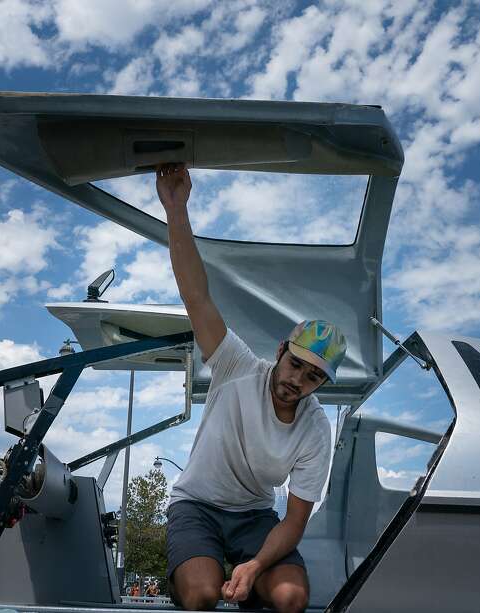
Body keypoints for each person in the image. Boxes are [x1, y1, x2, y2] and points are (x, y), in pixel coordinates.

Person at [156, 164, 346, 612]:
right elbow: (196, 297)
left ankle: (251, 583)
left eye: (312, 376)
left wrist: (256, 564)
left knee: (291, 598)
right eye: (295, 365)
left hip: (255, 519)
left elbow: (295, 521)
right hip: (197, 506)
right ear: (280, 351)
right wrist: (176, 209)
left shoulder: (315, 429)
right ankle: (189, 574)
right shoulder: (237, 365)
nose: (297, 381)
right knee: (202, 594)